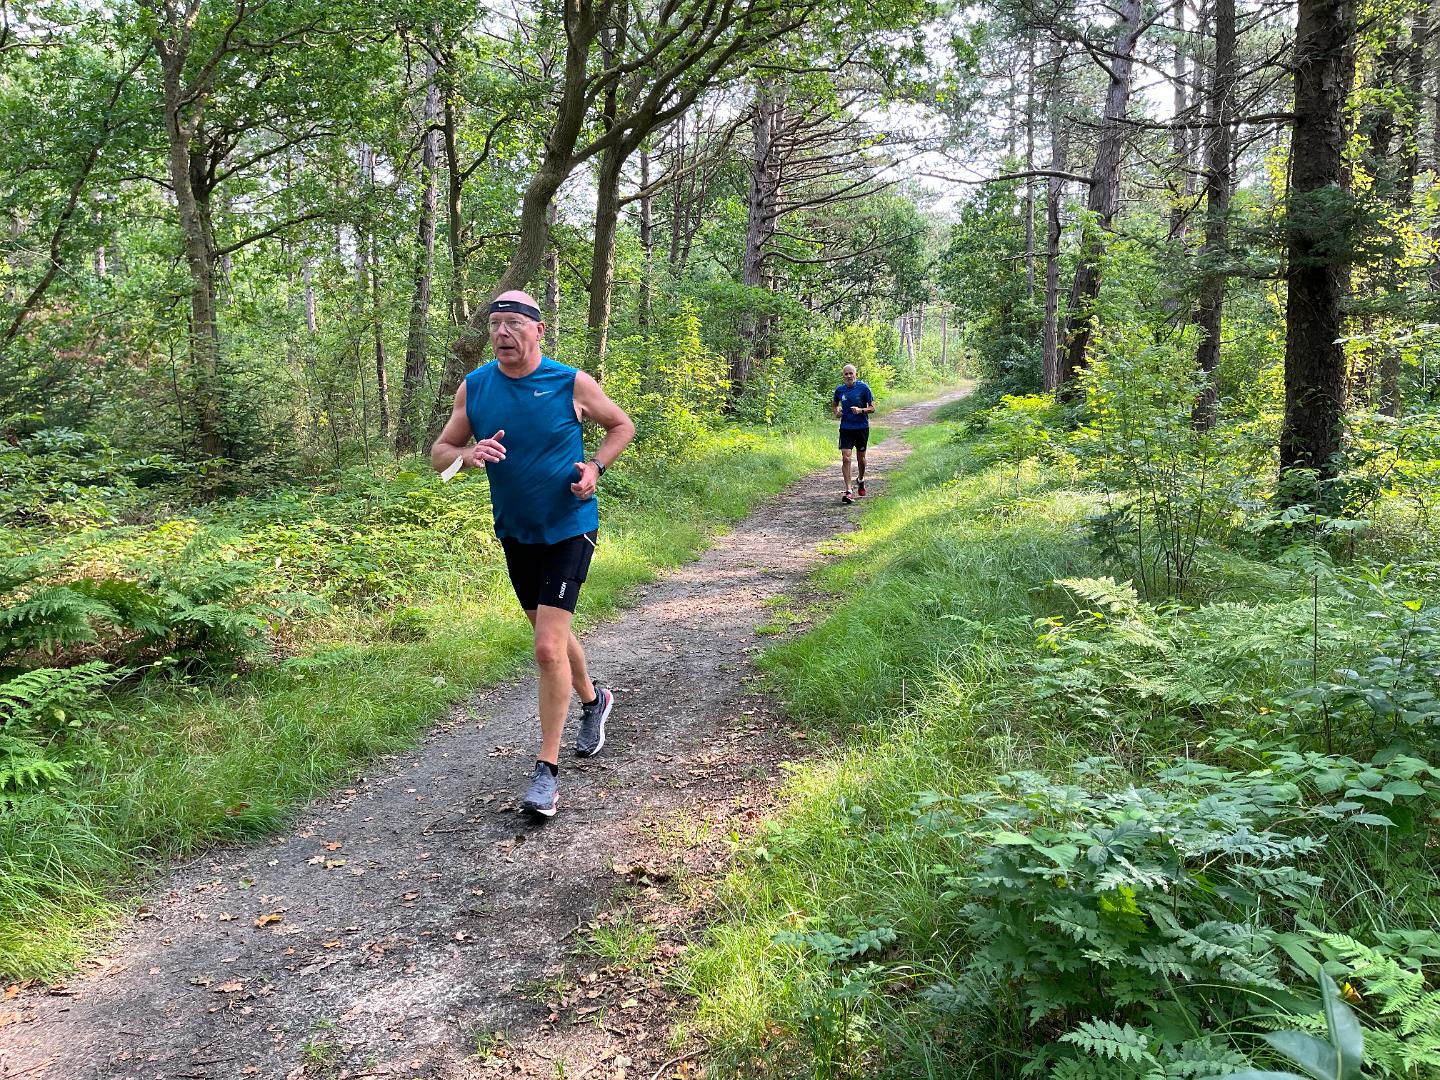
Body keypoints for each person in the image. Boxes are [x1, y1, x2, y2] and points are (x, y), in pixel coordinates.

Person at [431, 290, 635, 818]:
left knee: (546, 648)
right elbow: (439, 454)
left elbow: (622, 425)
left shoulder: (570, 383)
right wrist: (467, 454)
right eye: (495, 324)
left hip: (570, 526)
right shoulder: (476, 387)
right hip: (516, 532)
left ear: (538, 331)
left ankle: (546, 772)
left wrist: (596, 468)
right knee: (552, 635)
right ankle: (594, 700)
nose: (502, 333)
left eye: (513, 324)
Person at [832, 364, 874, 504]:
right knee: (846, 458)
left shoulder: (864, 388)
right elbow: (834, 404)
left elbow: (872, 408)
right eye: (846, 374)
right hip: (846, 428)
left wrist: (861, 410)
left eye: (851, 373)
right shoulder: (840, 390)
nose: (849, 376)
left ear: (856, 374)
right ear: (843, 376)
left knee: (861, 458)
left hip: (861, 428)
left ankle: (860, 479)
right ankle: (849, 491)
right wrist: (837, 412)